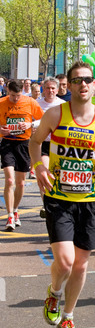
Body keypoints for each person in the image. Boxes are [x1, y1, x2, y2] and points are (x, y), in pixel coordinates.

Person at [29, 60, 95, 328]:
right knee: (65, 263)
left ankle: (68, 318)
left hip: (89, 200)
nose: (83, 85)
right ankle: (54, 294)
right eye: (77, 80)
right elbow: (35, 141)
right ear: (71, 84)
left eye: (88, 80)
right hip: (59, 197)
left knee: (81, 265)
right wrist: (39, 167)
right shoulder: (55, 114)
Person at [0, 80, 44, 230]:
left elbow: (42, 119)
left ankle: (16, 209)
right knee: (10, 180)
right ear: (7, 91)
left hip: (24, 144)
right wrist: (1, 130)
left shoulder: (30, 102)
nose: (15, 99)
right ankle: (10, 215)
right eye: (12, 95)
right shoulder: (2, 103)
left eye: (18, 95)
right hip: (7, 143)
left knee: (20, 183)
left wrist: (30, 124)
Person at [34, 77, 65, 218]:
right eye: (48, 88)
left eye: (53, 88)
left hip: (59, 145)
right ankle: (46, 204)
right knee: (44, 173)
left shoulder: (63, 105)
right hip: (43, 144)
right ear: (43, 89)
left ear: (57, 90)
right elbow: (29, 122)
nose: (50, 91)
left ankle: (58, 201)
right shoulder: (36, 104)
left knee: (59, 177)